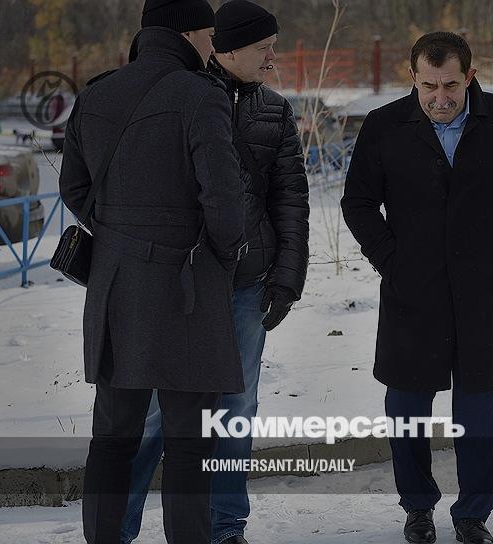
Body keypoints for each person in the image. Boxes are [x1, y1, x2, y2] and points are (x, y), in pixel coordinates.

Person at [341, 31, 493, 544]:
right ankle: (417, 507)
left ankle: (473, 515)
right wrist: (390, 260)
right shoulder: (384, 126)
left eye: (451, 85)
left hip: (482, 288)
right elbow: (358, 202)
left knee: (478, 407)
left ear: (470, 76)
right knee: (406, 407)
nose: (440, 97)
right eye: (428, 85)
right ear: (412, 78)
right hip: (412, 290)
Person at [119, 2, 310, 544]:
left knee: (236, 408)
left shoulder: (275, 110)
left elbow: (290, 199)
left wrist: (287, 278)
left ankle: (225, 526)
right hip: (177, 287)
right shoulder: (178, 98)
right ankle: (119, 526)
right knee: (153, 412)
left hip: (246, 286)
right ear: (227, 48)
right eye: (264, 48)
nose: (273, 58)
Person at [57, 0, 247, 542]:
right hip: (188, 287)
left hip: (116, 289)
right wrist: (222, 255)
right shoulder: (201, 95)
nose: (212, 46)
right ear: (187, 33)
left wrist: (120, 234)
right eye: (209, 34)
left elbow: (74, 187)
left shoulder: (96, 93)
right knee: (190, 445)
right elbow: (224, 201)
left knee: (112, 438)